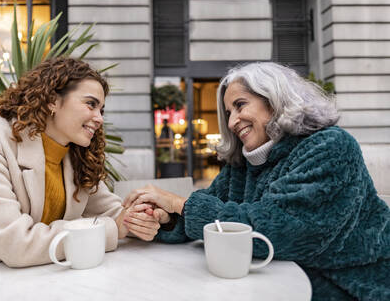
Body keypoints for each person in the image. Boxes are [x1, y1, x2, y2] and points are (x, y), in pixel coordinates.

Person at [124, 62, 390, 301]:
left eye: (240, 105)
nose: (231, 122)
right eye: (228, 112)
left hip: (350, 284)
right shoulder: (244, 162)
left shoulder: (331, 146)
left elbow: (281, 231)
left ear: (275, 100)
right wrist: (164, 218)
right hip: (277, 276)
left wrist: (178, 202)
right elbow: (213, 215)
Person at [0, 57, 160, 300]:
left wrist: (143, 217)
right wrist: (112, 229)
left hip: (36, 287)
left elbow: (115, 214)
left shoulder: (75, 154)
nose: (99, 118)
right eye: (90, 104)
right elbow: (14, 243)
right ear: (53, 100)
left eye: (101, 109)